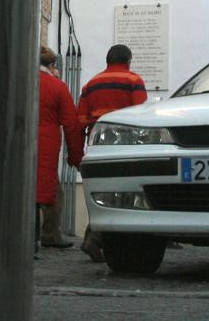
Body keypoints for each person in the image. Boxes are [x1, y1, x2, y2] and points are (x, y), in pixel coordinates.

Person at [75, 44, 147, 261]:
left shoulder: (91, 84)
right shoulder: (134, 81)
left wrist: (78, 153)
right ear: (128, 60)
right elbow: (141, 115)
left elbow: (80, 120)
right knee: (124, 193)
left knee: (101, 191)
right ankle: (96, 238)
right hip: (126, 144)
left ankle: (94, 237)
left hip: (98, 143)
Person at [36, 46, 83, 249]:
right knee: (52, 192)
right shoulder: (57, 87)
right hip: (46, 147)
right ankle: (51, 234)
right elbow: (72, 125)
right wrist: (75, 157)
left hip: (16, 143)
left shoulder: (17, 81)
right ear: (52, 65)